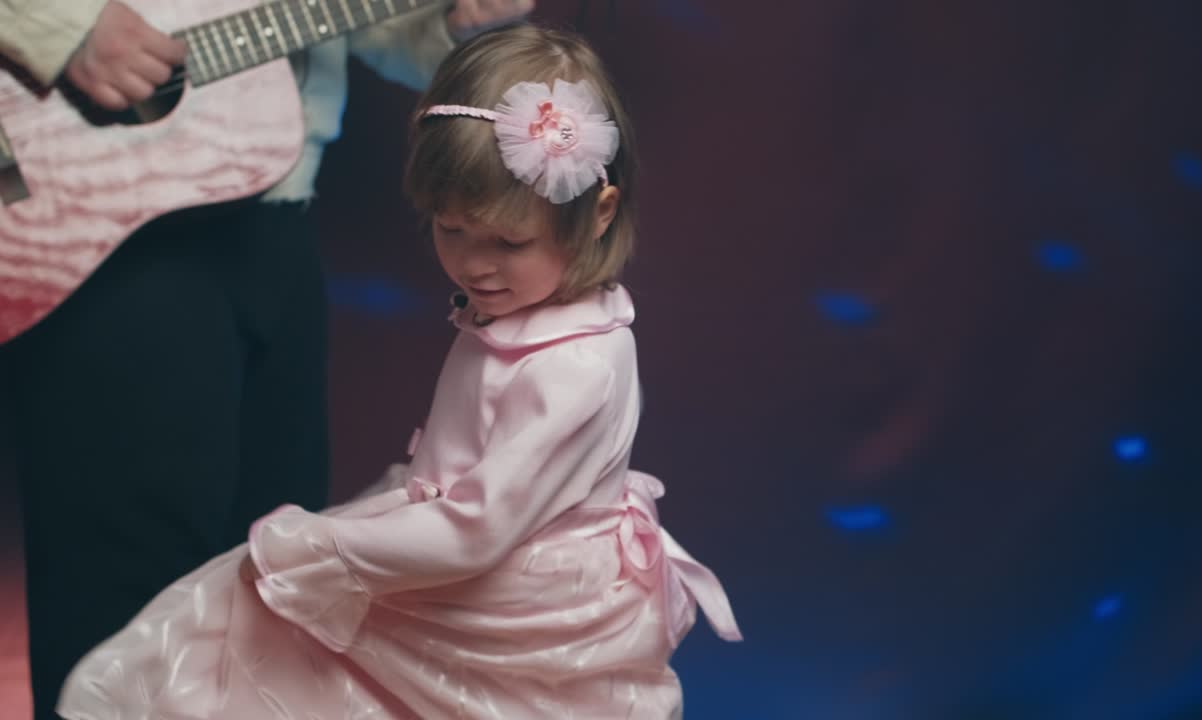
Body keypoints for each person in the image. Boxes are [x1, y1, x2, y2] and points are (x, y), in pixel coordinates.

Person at [54, 24, 742, 719]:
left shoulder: (574, 366)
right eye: (451, 230)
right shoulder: (539, 310)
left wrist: (323, 545)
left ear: (598, 214)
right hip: (458, 547)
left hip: (509, 594)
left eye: (508, 241)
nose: (474, 265)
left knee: (256, 629)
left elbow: (476, 529)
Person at [0, 1, 533, 718]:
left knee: (272, 595)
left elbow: (363, 28)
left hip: (279, 216)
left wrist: (456, 26)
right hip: (114, 234)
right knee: (122, 618)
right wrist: (66, 29)